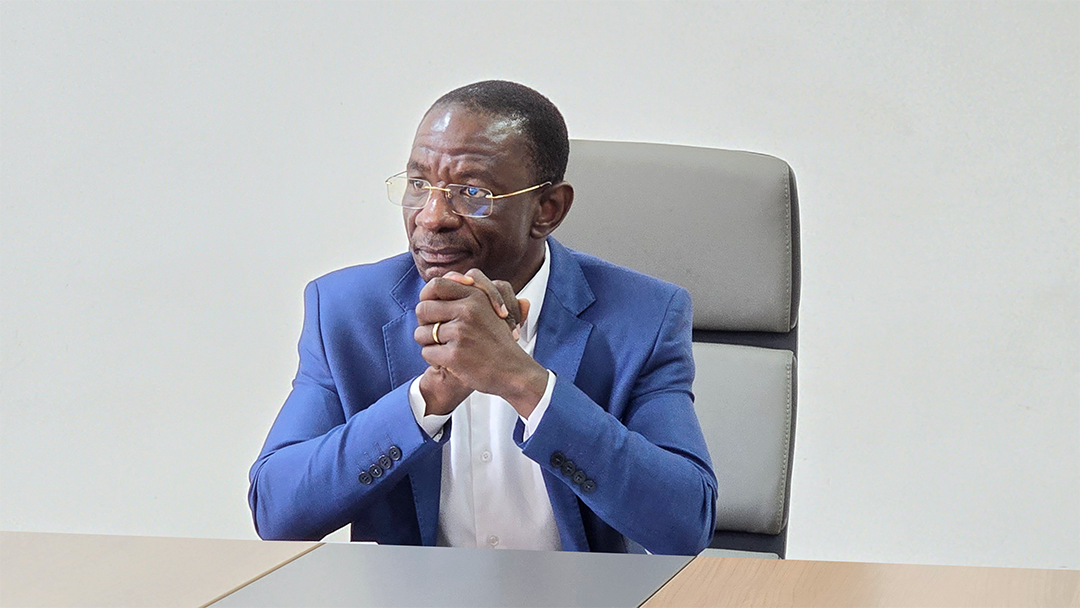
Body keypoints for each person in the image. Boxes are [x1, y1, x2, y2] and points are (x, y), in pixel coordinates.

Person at [248, 80, 717, 555]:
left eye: (472, 191)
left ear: (548, 210)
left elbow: (684, 526)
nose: (432, 217)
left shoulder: (643, 317)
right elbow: (276, 510)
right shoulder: (346, 312)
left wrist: (523, 382)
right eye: (419, 185)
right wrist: (430, 397)